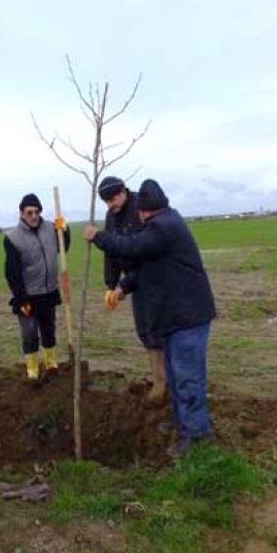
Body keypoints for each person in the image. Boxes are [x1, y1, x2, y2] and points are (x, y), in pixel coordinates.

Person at [83, 179, 216, 457]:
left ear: (145, 211)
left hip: (187, 315)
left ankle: (197, 436)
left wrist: (98, 237)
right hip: (174, 314)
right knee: (178, 376)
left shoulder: (164, 227)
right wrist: (121, 287)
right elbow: (144, 269)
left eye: (141, 213)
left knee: (188, 378)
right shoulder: (162, 223)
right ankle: (183, 423)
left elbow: (132, 249)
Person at [97, 176, 167, 406]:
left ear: (123, 191)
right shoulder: (111, 216)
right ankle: (160, 378)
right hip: (134, 283)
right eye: (106, 201)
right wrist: (111, 284)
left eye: (113, 198)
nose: (110, 204)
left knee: (159, 331)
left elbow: (144, 255)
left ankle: (163, 385)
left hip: (153, 279)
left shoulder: (141, 208)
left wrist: (124, 286)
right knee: (145, 331)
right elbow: (111, 251)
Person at [4, 192, 70, 380]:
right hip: (28, 295)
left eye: (36, 212)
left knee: (49, 331)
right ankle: (32, 369)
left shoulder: (50, 229)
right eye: (29, 212)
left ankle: (51, 364)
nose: (33, 216)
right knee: (30, 334)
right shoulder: (13, 237)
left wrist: (63, 230)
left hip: (48, 292)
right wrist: (21, 298)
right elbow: (11, 273)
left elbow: (63, 248)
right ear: (22, 213)